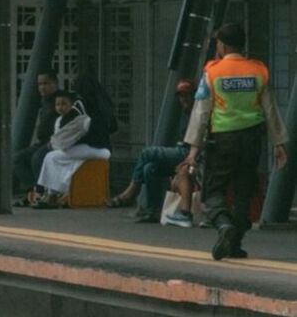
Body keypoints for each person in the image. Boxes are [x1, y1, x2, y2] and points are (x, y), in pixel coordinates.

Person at [184, 22, 288, 260]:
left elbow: (201, 113)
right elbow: (270, 109)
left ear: (223, 44)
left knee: (213, 190)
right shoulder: (258, 71)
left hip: (223, 140)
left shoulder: (213, 72)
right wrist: (279, 143)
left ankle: (223, 225)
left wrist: (193, 150)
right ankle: (235, 242)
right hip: (252, 139)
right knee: (244, 191)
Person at [109, 79, 195, 222]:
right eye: (181, 95)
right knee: (150, 168)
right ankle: (152, 211)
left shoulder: (198, 112)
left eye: (187, 95)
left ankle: (130, 192)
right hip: (183, 150)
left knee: (147, 153)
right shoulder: (185, 113)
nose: (184, 99)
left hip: (191, 153)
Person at [34, 92, 111, 208]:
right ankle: (59, 194)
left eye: (64, 104)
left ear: (72, 104)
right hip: (84, 151)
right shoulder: (61, 119)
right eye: (58, 104)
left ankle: (52, 195)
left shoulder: (78, 118)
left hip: (98, 151)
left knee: (51, 157)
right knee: (66, 161)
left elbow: (60, 144)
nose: (60, 107)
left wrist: (53, 143)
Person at [12, 73, 64, 206]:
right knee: (17, 159)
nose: (42, 87)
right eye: (40, 84)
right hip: (42, 142)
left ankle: (40, 194)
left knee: (37, 159)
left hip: (56, 142)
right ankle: (33, 192)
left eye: (46, 83)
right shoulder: (44, 100)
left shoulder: (61, 99)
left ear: (55, 83)